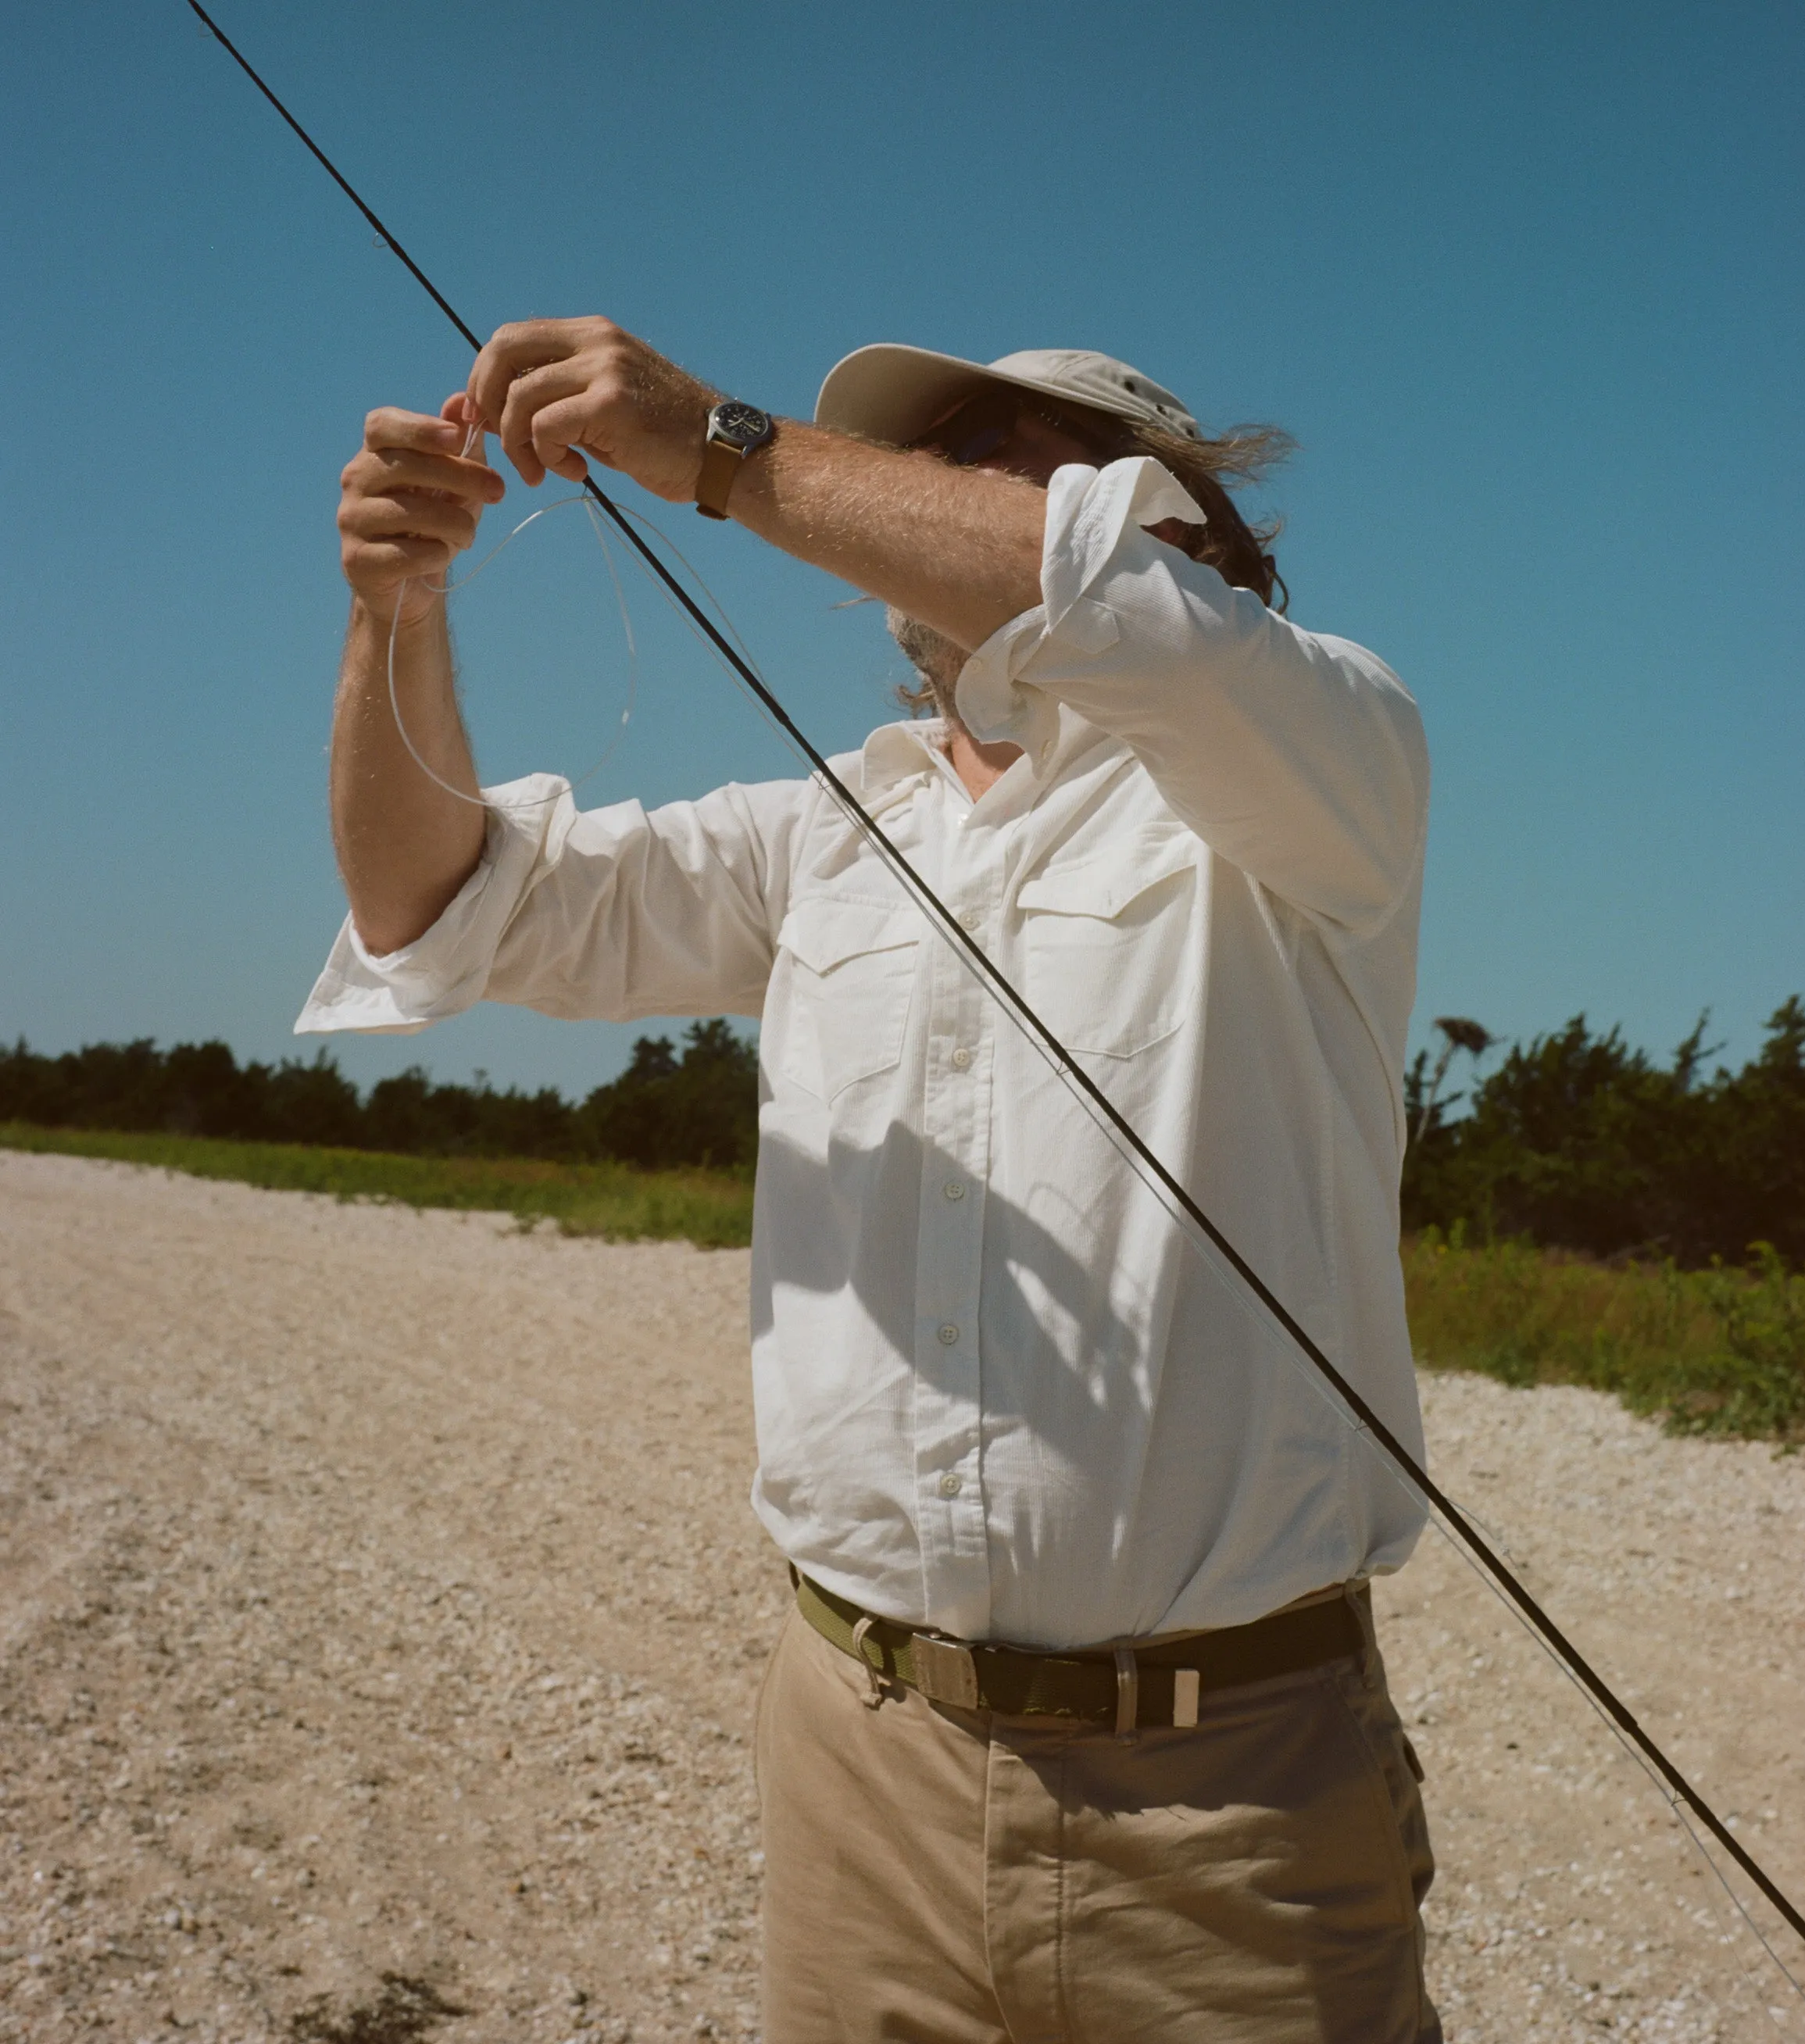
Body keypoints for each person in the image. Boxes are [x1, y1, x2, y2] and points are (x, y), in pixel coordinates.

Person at [302, 319, 1439, 2043]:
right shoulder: (829, 829)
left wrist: (712, 439)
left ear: (1193, 536)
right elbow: (432, 906)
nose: (943, 488)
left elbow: (1110, 611)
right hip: (861, 1759)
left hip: (1234, 1798)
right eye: (933, 458)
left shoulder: (1320, 748)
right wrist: (399, 609)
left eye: (1007, 455)